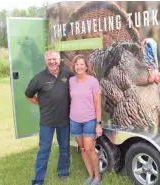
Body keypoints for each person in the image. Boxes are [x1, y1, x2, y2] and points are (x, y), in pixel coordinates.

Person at [25, 51, 75, 185]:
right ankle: (38, 180)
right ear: (45, 61)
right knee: (44, 150)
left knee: (64, 148)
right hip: (47, 121)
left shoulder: (68, 74)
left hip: (64, 119)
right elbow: (28, 94)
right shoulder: (39, 78)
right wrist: (40, 104)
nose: (52, 62)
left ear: (59, 60)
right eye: (49, 60)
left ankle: (63, 172)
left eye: (54, 59)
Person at [69, 54, 103, 185]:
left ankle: (97, 177)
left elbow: (97, 103)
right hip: (74, 120)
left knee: (89, 149)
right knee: (82, 148)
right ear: (74, 67)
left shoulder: (93, 81)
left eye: (82, 64)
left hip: (89, 120)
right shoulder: (71, 81)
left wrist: (98, 124)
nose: (79, 67)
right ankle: (90, 175)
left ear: (86, 66)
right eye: (77, 64)